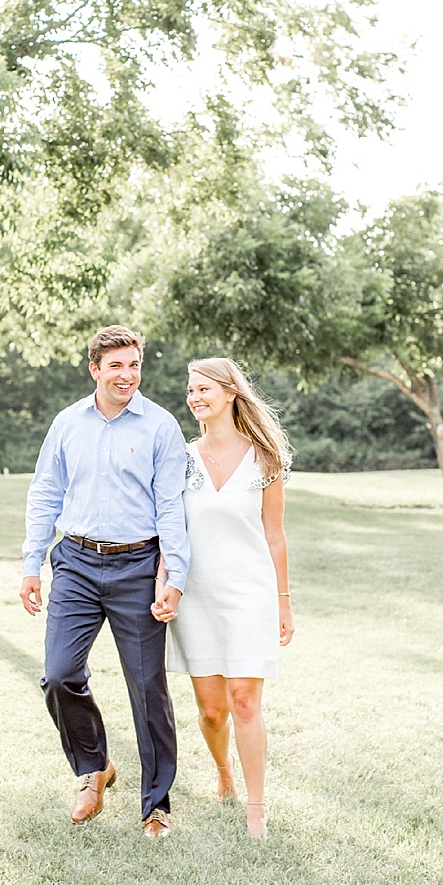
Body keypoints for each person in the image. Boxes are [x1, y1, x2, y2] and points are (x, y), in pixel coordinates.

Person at [21, 325, 191, 839]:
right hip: (74, 561)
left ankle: (155, 805)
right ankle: (93, 768)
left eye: (134, 364)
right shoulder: (68, 423)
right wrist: (32, 563)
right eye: (116, 366)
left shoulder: (161, 427)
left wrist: (174, 577)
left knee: (147, 687)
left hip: (139, 566)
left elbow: (172, 508)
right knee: (58, 673)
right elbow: (45, 492)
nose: (127, 375)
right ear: (94, 369)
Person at [166, 357, 294, 839]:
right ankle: (223, 773)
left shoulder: (265, 458)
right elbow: (169, 529)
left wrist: (283, 602)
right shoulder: (179, 457)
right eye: (190, 390)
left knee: (244, 701)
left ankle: (256, 809)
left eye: (204, 389)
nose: (195, 397)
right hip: (197, 595)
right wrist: (167, 583)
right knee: (212, 709)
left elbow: (275, 535)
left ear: (230, 393)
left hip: (249, 593)